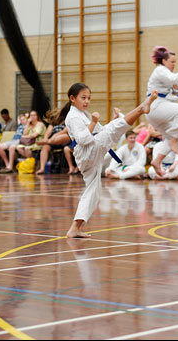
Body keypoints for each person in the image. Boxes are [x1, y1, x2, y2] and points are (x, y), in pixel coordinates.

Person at [60, 82, 157, 238]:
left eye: (89, 98)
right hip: (86, 151)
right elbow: (83, 139)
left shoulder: (83, 114)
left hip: (89, 153)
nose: (86, 101)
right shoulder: (72, 117)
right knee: (113, 130)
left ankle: (75, 228)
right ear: (72, 98)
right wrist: (93, 122)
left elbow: (101, 130)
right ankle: (141, 109)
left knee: (93, 191)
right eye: (83, 98)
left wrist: (111, 120)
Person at [145, 46, 178, 176]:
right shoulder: (160, 71)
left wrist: (177, 89)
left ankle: (157, 161)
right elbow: (173, 79)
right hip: (154, 106)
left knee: (170, 138)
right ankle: (174, 139)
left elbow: (176, 91)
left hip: (159, 108)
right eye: (172, 62)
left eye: (175, 62)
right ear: (164, 61)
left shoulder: (167, 75)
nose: (174, 65)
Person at [35, 110, 71, 174]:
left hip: (63, 140)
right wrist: (46, 138)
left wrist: (54, 136)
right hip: (52, 141)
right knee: (45, 147)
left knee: (64, 136)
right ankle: (42, 169)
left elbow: (64, 131)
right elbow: (48, 132)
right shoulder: (53, 123)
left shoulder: (67, 121)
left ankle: (47, 142)